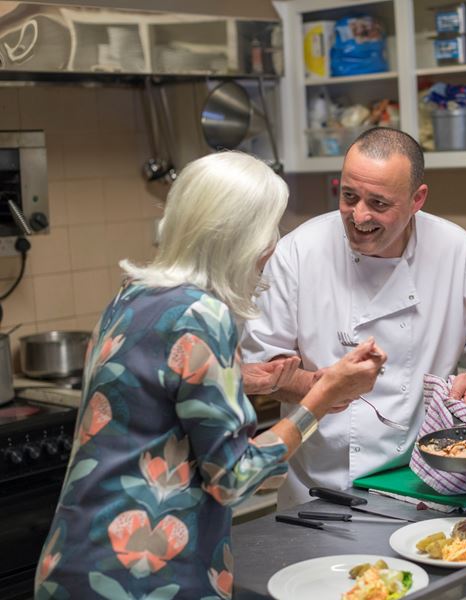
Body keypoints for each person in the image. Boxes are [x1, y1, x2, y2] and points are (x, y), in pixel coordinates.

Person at [34, 152, 386, 598]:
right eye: (268, 228)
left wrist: (241, 377)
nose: (273, 245)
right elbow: (234, 478)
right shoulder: (204, 314)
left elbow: (156, 391)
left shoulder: (133, 294)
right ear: (240, 237)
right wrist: (319, 401)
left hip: (75, 560)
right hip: (144, 572)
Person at [241, 127, 466, 508]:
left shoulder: (458, 251)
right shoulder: (297, 253)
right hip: (319, 488)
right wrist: (326, 387)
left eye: (379, 204)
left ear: (417, 199)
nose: (359, 216)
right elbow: (264, 369)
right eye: (348, 196)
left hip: (423, 482)